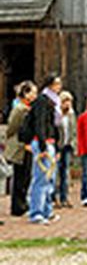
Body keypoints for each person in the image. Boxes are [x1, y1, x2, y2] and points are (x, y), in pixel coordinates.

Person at [29, 73, 62, 224]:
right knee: (41, 178)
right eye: (57, 84)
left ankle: (47, 210)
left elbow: (54, 126)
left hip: (51, 142)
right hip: (42, 143)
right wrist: (42, 145)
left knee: (50, 178)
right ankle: (36, 212)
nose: (59, 87)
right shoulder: (42, 101)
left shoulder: (54, 103)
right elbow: (40, 124)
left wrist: (57, 146)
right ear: (50, 85)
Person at [4, 81, 37, 216]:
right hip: (19, 146)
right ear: (26, 94)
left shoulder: (28, 108)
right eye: (33, 92)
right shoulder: (19, 109)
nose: (35, 95)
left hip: (26, 146)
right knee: (19, 176)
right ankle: (17, 206)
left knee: (26, 176)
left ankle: (23, 203)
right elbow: (12, 127)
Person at [54, 91, 77, 208]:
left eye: (69, 101)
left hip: (68, 146)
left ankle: (65, 197)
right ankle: (55, 197)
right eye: (65, 101)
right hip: (59, 146)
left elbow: (74, 131)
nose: (67, 104)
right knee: (57, 172)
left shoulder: (71, 115)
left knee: (66, 171)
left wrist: (73, 144)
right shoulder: (57, 114)